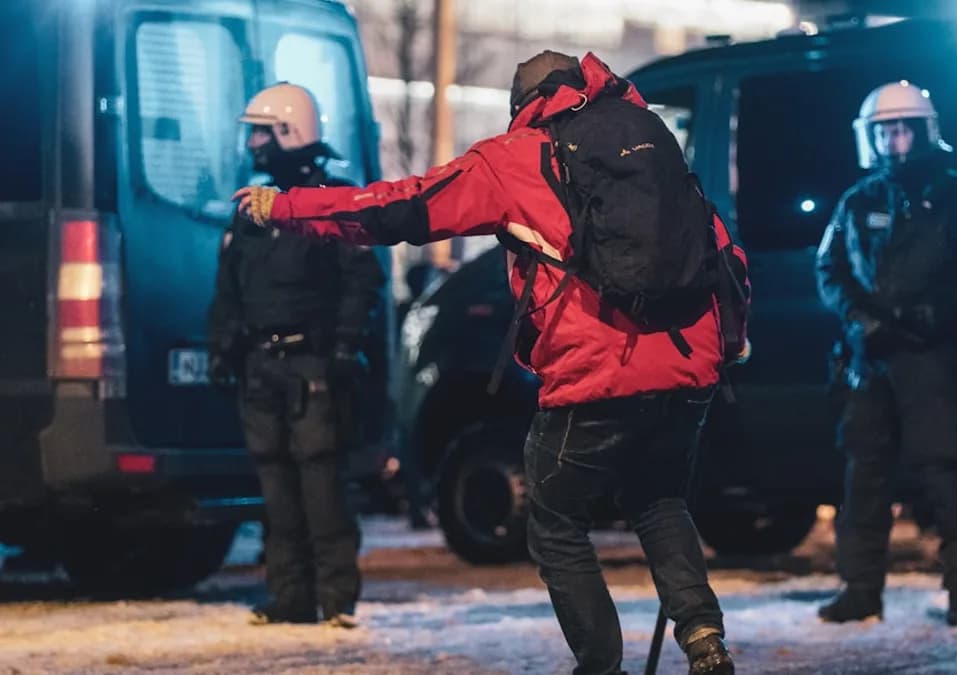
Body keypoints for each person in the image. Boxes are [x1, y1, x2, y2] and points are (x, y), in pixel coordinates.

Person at [233, 51, 748, 675]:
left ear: (521, 105)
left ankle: (599, 665)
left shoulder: (516, 159)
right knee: (659, 499)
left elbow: (401, 206)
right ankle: (702, 639)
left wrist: (287, 207)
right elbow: (722, 248)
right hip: (688, 371)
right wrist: (731, 343)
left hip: (597, 374)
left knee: (556, 521)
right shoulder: (650, 143)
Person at [814, 80, 957, 627]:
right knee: (865, 475)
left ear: (926, 132)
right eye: (887, 130)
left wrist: (946, 310)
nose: (896, 140)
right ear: (870, 137)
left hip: (933, 357)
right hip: (869, 356)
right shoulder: (858, 200)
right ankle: (860, 591)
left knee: (943, 472)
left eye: (905, 128)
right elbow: (829, 271)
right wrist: (859, 320)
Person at [208, 83, 385, 628]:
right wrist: (223, 347)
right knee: (276, 490)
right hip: (262, 367)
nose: (254, 142)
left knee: (320, 485)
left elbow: (362, 282)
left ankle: (336, 602)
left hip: (312, 367)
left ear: (290, 131)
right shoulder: (253, 208)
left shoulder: (335, 198)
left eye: (262, 131)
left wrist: (339, 349)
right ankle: (288, 598)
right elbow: (230, 287)